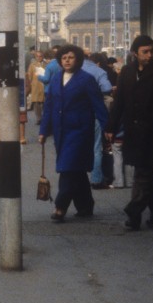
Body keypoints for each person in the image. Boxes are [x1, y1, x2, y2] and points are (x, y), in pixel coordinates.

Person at [106, 35, 153, 230]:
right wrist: (111, 127)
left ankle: (134, 212)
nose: (149, 55)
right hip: (132, 129)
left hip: (152, 130)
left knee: (142, 170)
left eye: (151, 51)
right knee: (147, 170)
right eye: (144, 52)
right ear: (134, 53)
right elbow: (119, 101)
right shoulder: (127, 72)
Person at [39, 44, 108, 222]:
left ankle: (60, 206)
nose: (67, 61)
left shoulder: (86, 79)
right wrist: (43, 130)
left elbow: (98, 105)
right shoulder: (56, 78)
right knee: (77, 170)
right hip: (61, 132)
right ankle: (85, 206)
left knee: (67, 169)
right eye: (64, 58)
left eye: (71, 57)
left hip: (80, 131)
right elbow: (49, 106)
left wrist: (108, 128)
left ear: (77, 59)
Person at [82, 52, 115, 189]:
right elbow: (107, 88)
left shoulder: (75, 69)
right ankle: (96, 179)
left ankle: (79, 179)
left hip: (77, 113)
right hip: (94, 112)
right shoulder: (99, 71)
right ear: (99, 63)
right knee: (96, 147)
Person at [26, 49, 48, 124]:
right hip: (35, 85)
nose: (39, 58)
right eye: (37, 56)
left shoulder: (46, 65)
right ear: (35, 57)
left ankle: (45, 118)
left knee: (44, 102)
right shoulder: (32, 65)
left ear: (43, 56)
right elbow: (29, 75)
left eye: (40, 56)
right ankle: (39, 118)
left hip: (44, 85)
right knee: (36, 103)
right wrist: (30, 84)